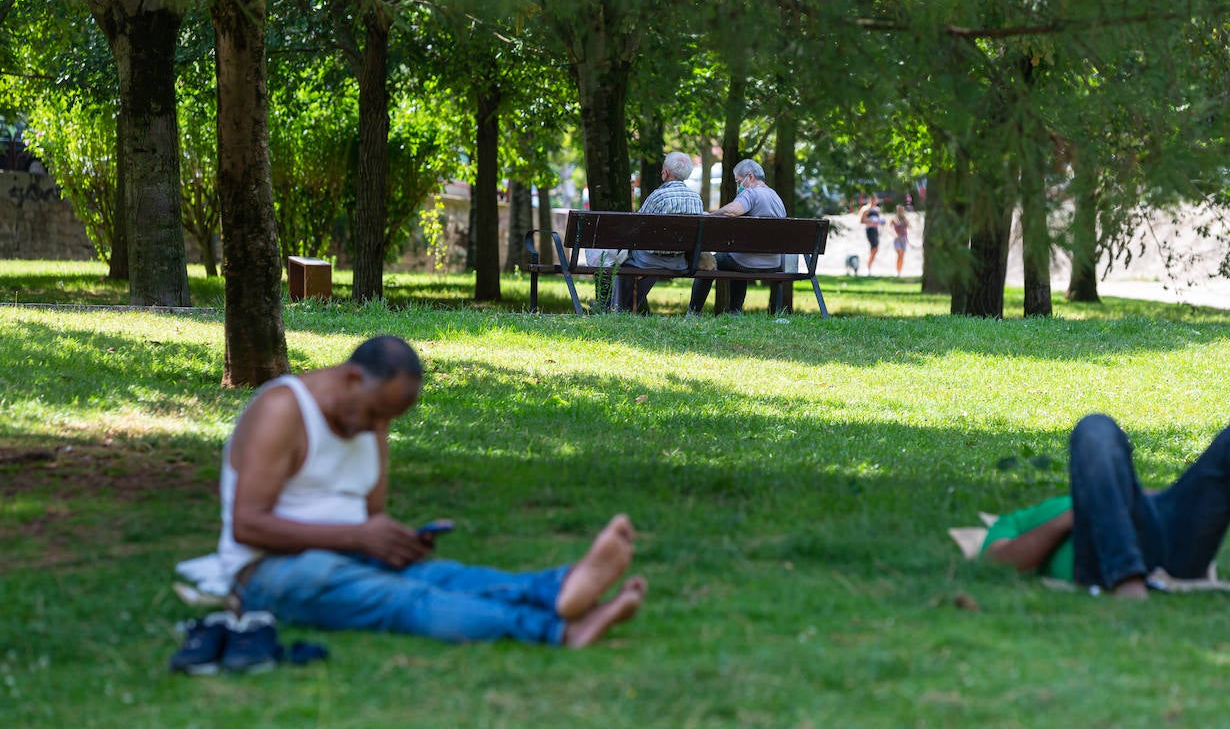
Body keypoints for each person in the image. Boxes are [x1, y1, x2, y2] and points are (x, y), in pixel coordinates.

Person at [179, 335, 646, 648]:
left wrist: (394, 543)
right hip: (265, 573)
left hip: (344, 556)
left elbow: (370, 520)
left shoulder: (371, 417)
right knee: (402, 600)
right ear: (351, 378)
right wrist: (361, 538)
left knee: (443, 576)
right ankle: (559, 629)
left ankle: (561, 588)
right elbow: (247, 526)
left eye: (388, 421)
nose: (378, 429)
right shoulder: (283, 409)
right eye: (375, 414)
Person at [981, 413, 1230, 599]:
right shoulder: (1018, 522)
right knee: (1094, 426)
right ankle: (1126, 581)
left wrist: (1125, 497)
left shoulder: (1112, 484)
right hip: (1102, 553)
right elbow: (998, 562)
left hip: (1166, 534)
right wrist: (1077, 514)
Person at [686, 159, 787, 316]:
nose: (738, 186)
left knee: (709, 263)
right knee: (736, 257)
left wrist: (709, 216)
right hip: (774, 262)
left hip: (747, 261)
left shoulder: (751, 193)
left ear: (750, 177)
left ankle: (693, 313)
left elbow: (732, 211)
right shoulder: (776, 197)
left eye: (739, 181)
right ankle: (735, 313)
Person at [615, 151, 704, 313]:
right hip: (679, 262)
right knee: (647, 263)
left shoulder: (659, 196)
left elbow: (637, 228)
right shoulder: (696, 199)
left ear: (667, 172)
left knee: (621, 263)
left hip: (649, 261)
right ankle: (627, 308)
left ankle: (616, 309)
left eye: (663, 168)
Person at [857, 194, 883, 274]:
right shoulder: (865, 209)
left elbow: (878, 220)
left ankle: (869, 266)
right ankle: (868, 267)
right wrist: (871, 221)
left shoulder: (877, 209)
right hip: (869, 229)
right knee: (874, 247)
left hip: (875, 230)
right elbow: (861, 221)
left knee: (875, 248)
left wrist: (880, 222)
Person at [890, 204, 910, 277]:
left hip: (904, 238)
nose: (900, 212)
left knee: (902, 256)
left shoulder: (905, 218)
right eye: (899, 210)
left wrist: (906, 221)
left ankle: (899, 271)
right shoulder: (894, 218)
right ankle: (897, 270)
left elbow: (909, 227)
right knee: (899, 254)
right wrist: (894, 234)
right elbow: (889, 228)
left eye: (902, 210)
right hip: (897, 238)